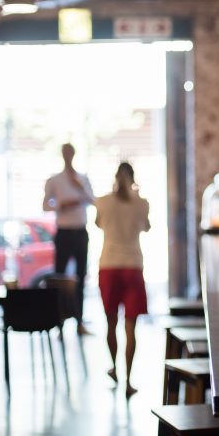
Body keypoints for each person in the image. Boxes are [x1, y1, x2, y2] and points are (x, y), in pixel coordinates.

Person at [95, 162, 150, 398]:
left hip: (109, 265)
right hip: (133, 266)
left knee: (110, 322)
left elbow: (98, 224)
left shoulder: (103, 201)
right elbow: (147, 227)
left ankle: (115, 369)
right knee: (131, 327)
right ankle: (128, 381)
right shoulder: (142, 204)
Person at [43, 143, 95, 336]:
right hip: (64, 233)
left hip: (80, 232)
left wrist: (79, 186)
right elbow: (46, 205)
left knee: (80, 278)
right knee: (59, 279)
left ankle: (80, 322)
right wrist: (61, 205)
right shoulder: (54, 180)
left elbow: (93, 200)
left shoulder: (82, 178)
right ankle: (59, 323)